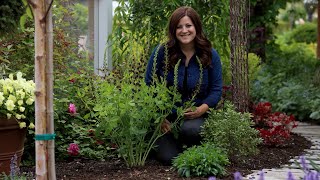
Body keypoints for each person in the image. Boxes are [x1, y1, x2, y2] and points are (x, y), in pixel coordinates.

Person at [145, 6, 223, 165]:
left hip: (195, 118)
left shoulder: (209, 54)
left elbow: (216, 89)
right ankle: (176, 148)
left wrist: (202, 108)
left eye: (188, 26)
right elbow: (148, 85)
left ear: (196, 28)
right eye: (179, 27)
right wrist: (160, 118)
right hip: (166, 118)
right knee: (169, 158)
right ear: (173, 30)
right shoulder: (161, 52)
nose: (184, 30)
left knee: (191, 130)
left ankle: (191, 147)